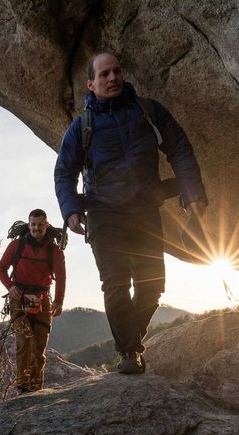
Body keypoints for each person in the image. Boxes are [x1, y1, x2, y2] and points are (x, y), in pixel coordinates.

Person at [54, 52, 208, 374]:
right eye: (104, 74)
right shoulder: (81, 127)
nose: (112, 78)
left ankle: (130, 340)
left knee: (153, 287)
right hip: (103, 215)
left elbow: (180, 148)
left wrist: (194, 197)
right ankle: (129, 352)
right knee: (116, 282)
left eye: (116, 71)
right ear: (91, 83)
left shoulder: (148, 111)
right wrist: (70, 211)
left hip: (144, 212)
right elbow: (64, 173)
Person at [0, 209, 66, 392]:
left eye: (40, 224)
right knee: (24, 340)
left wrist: (58, 301)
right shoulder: (16, 246)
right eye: (33, 224)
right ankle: (23, 386)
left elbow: (61, 276)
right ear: (29, 225)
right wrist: (9, 286)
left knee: (39, 345)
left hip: (42, 299)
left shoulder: (54, 251)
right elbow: (1, 269)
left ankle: (35, 388)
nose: (36, 228)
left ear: (46, 225)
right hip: (18, 298)